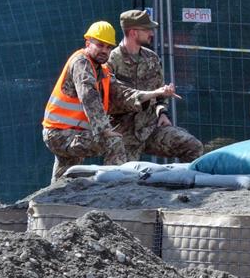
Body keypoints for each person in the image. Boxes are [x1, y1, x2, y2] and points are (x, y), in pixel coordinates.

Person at [41, 21, 177, 182]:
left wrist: (155, 93)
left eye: (108, 47)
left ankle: (53, 200)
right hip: (60, 134)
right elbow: (89, 97)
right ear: (88, 43)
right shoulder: (81, 63)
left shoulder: (103, 71)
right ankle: (110, 190)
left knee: (64, 176)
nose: (104, 51)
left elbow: (123, 93)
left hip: (71, 132)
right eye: (100, 45)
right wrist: (104, 129)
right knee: (113, 142)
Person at [108, 9, 203, 163]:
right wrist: (155, 93)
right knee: (119, 180)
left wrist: (163, 113)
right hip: (123, 135)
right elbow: (117, 98)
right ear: (133, 32)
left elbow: (160, 96)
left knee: (192, 146)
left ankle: (186, 186)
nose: (151, 33)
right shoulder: (112, 61)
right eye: (146, 30)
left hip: (150, 129)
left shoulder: (151, 58)